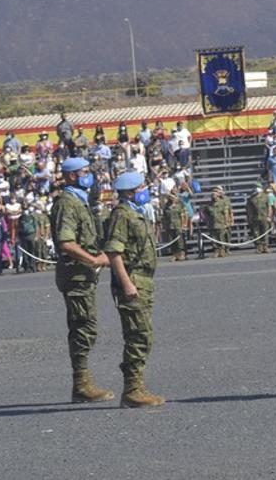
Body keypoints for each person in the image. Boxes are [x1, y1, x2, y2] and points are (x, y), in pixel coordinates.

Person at [50, 157, 113, 403]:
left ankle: (82, 382)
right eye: (85, 172)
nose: (90, 176)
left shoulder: (79, 200)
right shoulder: (68, 204)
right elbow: (66, 243)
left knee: (85, 325)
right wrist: (93, 260)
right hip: (75, 273)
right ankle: (81, 384)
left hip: (81, 273)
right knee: (83, 327)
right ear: (73, 175)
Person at [104, 171, 164, 408]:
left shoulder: (138, 214)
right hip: (133, 282)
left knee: (142, 334)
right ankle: (132, 389)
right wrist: (127, 283)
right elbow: (114, 252)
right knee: (138, 335)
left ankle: (136, 386)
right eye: (141, 187)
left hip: (144, 281)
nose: (145, 190)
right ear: (129, 192)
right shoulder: (122, 215)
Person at [206, 186, 233, 257]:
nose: (213, 195)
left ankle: (223, 250)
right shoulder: (208, 205)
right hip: (212, 224)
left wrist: (227, 222)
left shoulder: (222, 203)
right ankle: (216, 250)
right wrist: (207, 222)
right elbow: (206, 215)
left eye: (215, 193)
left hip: (221, 223)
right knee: (214, 238)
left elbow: (226, 213)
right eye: (212, 194)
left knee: (221, 238)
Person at [246, 184, 271, 254]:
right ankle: (258, 247)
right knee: (256, 233)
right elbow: (249, 210)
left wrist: (269, 216)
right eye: (255, 187)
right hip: (255, 218)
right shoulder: (251, 198)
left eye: (258, 187)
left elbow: (269, 207)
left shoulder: (265, 197)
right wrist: (249, 218)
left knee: (265, 233)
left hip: (264, 217)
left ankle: (265, 246)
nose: (257, 189)